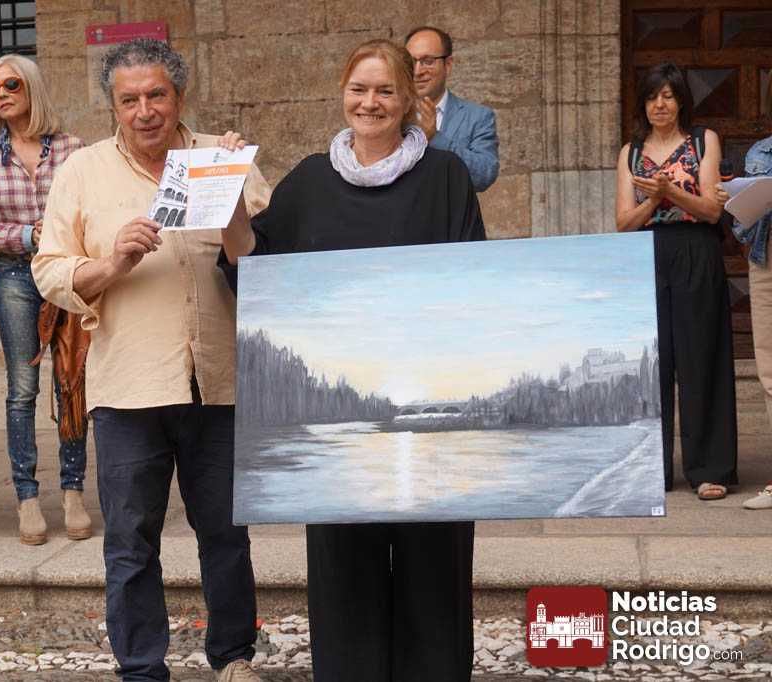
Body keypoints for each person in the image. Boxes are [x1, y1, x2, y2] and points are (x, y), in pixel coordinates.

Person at [220, 38, 484, 682]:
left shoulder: (446, 176)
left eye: (385, 90)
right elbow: (253, 268)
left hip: (429, 412)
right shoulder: (311, 181)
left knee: (434, 563)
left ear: (408, 98)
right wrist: (225, 201)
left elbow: (474, 283)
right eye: (359, 89)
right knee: (344, 568)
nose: (371, 103)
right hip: (337, 421)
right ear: (343, 92)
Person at [32, 38, 270, 682]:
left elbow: (262, 265)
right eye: (129, 100)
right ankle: (141, 669)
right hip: (129, 387)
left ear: (179, 97)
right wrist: (113, 262)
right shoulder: (82, 171)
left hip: (217, 380)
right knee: (131, 540)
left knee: (226, 533)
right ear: (113, 107)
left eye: (157, 95)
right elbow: (49, 271)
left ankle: (234, 658)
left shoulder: (221, 158)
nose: (145, 111)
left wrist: (230, 206)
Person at [0, 54, 91, 545]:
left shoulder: (72, 149)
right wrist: (26, 234)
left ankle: (74, 492)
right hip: (16, 275)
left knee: (71, 383)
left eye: (10, 85)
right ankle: (27, 498)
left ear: (31, 86)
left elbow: (89, 206)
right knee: (22, 389)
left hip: (66, 272)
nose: (1, 95)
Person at [615, 62, 737, 501]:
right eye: (652, 97)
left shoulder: (703, 141)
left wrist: (670, 193)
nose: (659, 105)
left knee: (701, 356)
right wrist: (653, 202)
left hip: (696, 249)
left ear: (681, 100)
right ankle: (653, 470)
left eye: (667, 96)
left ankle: (709, 468)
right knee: (654, 363)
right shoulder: (630, 152)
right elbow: (623, 222)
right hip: (647, 253)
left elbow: (711, 210)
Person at [405, 25, 499, 192]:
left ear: (448, 65)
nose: (417, 71)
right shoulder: (391, 113)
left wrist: (435, 138)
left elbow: (484, 176)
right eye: (411, 62)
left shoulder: (477, 116)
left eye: (428, 61)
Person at [730, 134, 772, 509]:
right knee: (770, 369)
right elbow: (743, 229)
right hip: (766, 263)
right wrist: (733, 203)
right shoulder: (760, 150)